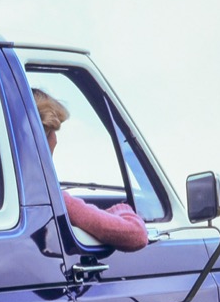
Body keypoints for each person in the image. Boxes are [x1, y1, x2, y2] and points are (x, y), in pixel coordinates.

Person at [31, 88, 149, 252]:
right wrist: (122, 209)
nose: (56, 141)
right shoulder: (47, 196)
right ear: (43, 140)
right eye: (53, 132)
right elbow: (136, 234)